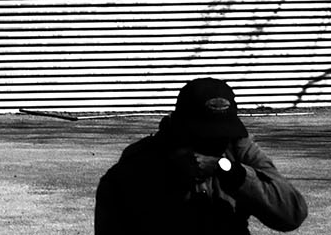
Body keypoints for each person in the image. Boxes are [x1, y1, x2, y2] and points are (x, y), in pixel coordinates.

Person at [94, 77, 308, 234]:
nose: (214, 143)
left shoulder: (237, 148)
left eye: (221, 136)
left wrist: (230, 171)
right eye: (205, 136)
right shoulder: (139, 163)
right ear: (179, 128)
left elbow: (291, 215)